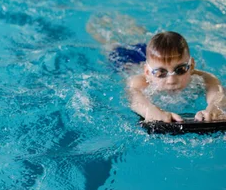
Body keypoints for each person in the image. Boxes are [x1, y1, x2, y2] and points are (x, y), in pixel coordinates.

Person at [87, 14, 226, 123]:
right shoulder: (139, 82)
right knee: (110, 42)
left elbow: (218, 93)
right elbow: (134, 98)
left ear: (192, 66)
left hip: (155, 57)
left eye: (181, 69)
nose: (171, 80)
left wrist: (215, 108)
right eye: (161, 73)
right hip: (126, 60)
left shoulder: (203, 78)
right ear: (147, 72)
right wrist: (149, 110)